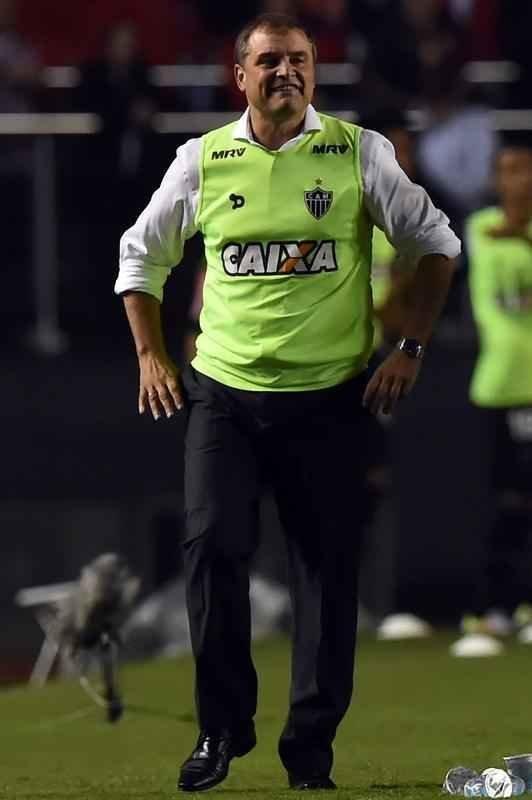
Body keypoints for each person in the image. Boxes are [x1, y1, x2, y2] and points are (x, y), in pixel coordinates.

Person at [115, 12, 460, 792]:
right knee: (211, 553)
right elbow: (140, 257)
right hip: (226, 398)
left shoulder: (359, 153)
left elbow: (437, 244)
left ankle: (310, 750)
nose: (285, 73)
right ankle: (221, 728)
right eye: (269, 61)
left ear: (315, 70)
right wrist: (150, 354)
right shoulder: (202, 161)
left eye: (299, 60)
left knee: (327, 579)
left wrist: (408, 347)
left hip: (330, 403)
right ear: (239, 75)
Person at [453, 136, 532, 647]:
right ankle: (492, 609)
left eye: (524, 169)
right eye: (507, 170)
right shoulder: (479, 226)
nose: (517, 179)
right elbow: (495, 240)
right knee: (502, 503)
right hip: (497, 385)